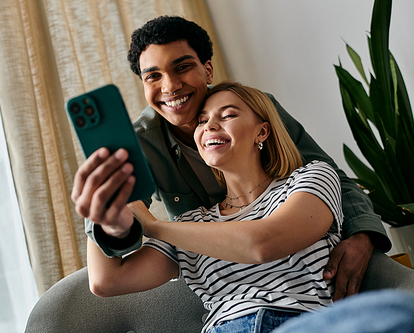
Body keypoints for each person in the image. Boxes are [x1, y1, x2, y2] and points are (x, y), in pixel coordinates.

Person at [71, 15, 391, 301]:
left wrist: (362, 235)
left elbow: (327, 176)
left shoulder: (252, 109)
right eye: (153, 76)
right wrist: (110, 220)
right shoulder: (139, 148)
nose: (170, 86)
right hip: (220, 282)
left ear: (207, 69)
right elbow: (108, 271)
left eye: (182, 67)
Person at [87, 81, 344, 333]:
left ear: (262, 132)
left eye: (228, 115)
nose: (209, 125)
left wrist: (153, 226)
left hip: (302, 322)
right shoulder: (192, 224)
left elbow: (262, 244)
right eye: (201, 121)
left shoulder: (311, 179)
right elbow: (106, 281)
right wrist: (99, 200)